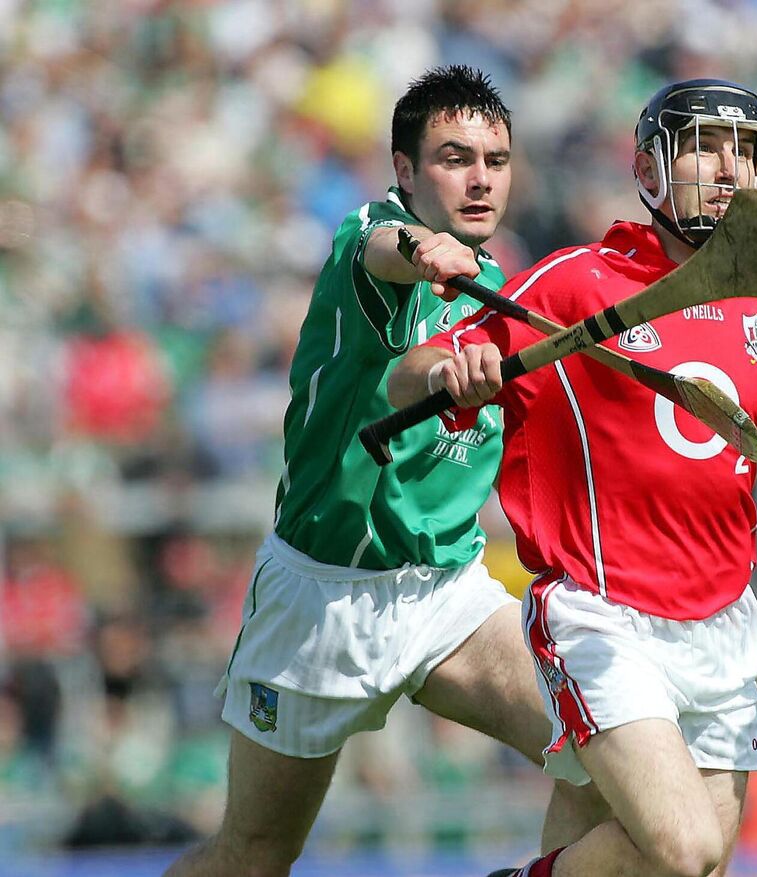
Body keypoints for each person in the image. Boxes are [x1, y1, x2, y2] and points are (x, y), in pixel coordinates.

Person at [388, 78, 757, 877]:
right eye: (702, 148)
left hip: (721, 623)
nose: (725, 168)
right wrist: (454, 371)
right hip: (601, 614)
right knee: (686, 850)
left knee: (686, 866)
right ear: (648, 169)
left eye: (742, 151)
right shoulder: (577, 280)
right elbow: (408, 376)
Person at [165, 65, 605, 877]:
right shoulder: (372, 237)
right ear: (406, 169)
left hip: (446, 595)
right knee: (254, 856)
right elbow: (389, 261)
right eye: (454, 158)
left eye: (496, 161)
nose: (480, 180)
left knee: (605, 765)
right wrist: (425, 252)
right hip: (322, 598)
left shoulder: (501, 290)